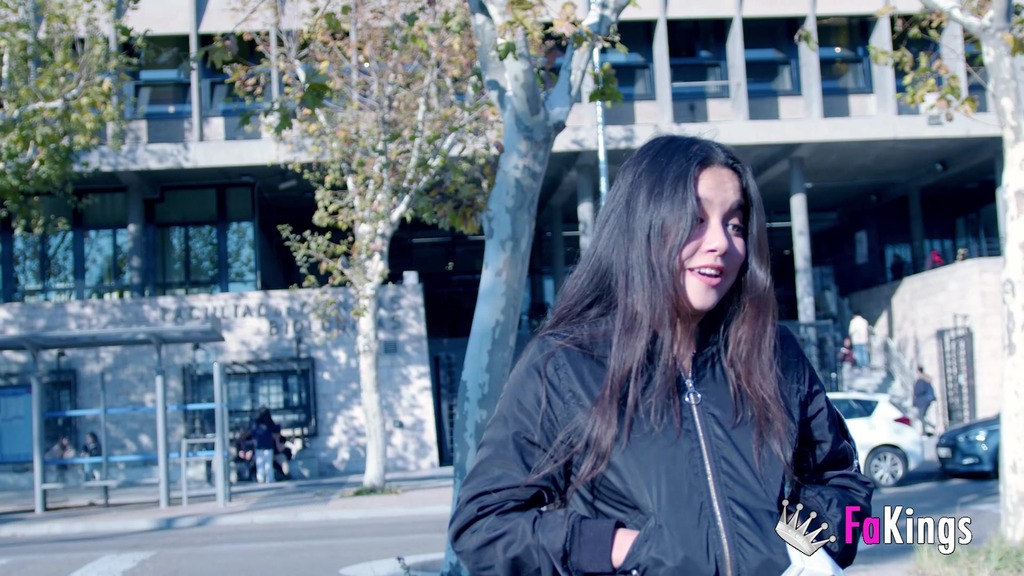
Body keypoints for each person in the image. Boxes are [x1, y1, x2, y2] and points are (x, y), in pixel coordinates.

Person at [448, 136, 873, 575]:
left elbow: (840, 480)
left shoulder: (774, 353)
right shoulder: (565, 365)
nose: (720, 243)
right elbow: (484, 526)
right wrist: (624, 548)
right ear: (643, 225)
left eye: (734, 225)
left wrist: (807, 546)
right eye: (695, 219)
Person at [249, 407, 281, 484]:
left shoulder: (256, 423)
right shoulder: (269, 423)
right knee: (268, 463)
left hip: (260, 446)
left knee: (260, 464)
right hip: (267, 446)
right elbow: (276, 429)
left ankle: (261, 479)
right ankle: (269, 478)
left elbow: (252, 433)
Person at [913, 366, 937, 436]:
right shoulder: (925, 379)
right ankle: (927, 429)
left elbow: (919, 391)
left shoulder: (921, 380)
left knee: (921, 416)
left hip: (923, 401)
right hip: (926, 400)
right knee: (922, 416)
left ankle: (928, 429)